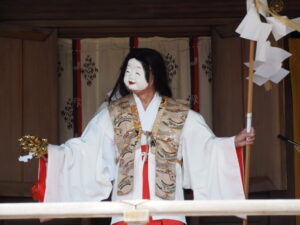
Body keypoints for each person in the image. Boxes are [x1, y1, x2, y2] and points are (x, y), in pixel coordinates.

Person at [20, 48, 255, 225]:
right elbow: (85, 149)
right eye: (128, 71)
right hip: (125, 202)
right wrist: (53, 153)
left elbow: (206, 147)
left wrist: (232, 142)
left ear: (154, 75)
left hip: (168, 204)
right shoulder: (111, 114)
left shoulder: (180, 113)